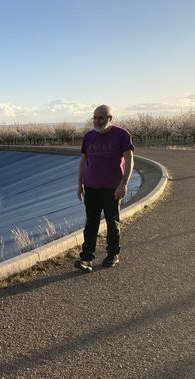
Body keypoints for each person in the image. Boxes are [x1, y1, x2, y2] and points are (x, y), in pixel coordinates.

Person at [75, 105, 135, 272]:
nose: (97, 121)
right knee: (91, 224)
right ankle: (86, 258)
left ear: (110, 118)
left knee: (112, 222)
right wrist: (79, 184)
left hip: (112, 188)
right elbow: (83, 161)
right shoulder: (88, 136)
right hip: (91, 187)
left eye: (101, 118)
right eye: (95, 117)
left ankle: (112, 255)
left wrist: (123, 183)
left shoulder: (122, 135)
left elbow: (130, 160)